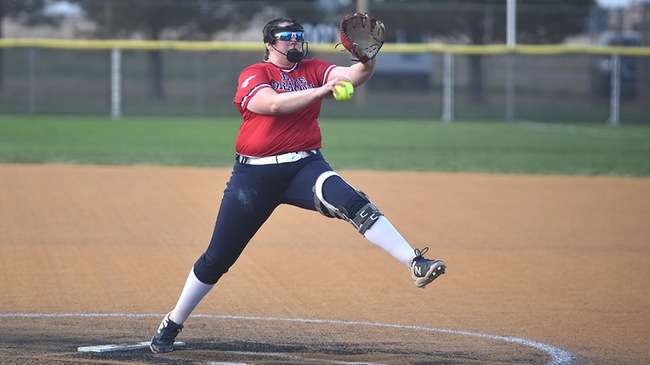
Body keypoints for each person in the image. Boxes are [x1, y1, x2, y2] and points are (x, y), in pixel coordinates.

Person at [149, 17, 446, 354]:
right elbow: (271, 105)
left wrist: (366, 59)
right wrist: (322, 91)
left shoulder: (314, 67)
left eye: (298, 37)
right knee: (217, 258)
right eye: (287, 37)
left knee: (353, 203)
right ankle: (172, 321)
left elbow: (351, 77)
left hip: (305, 166)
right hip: (254, 177)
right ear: (269, 43)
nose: (294, 43)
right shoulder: (254, 74)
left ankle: (414, 262)